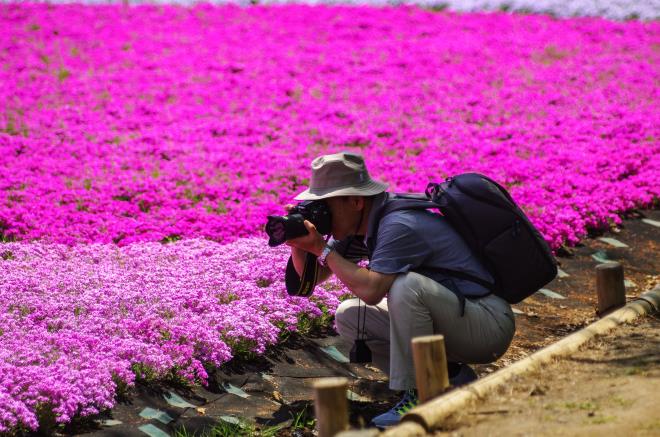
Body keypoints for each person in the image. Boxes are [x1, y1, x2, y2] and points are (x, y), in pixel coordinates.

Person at [285, 151, 515, 428]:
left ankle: (420, 394)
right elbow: (314, 278)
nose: (320, 213)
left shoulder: (398, 224)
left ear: (356, 201)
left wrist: (321, 248)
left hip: (486, 325)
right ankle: (451, 378)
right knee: (349, 314)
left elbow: (371, 291)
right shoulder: (362, 223)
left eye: (324, 206)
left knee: (407, 286)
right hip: (459, 319)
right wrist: (298, 242)